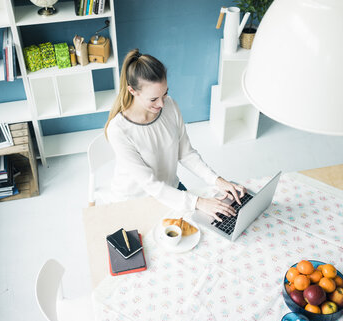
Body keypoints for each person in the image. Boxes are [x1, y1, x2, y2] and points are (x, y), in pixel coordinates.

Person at [104, 49, 246, 221]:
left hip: (170, 189)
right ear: (133, 91)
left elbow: (186, 154)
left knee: (214, 222)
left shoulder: (170, 106)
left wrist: (217, 180)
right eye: (153, 99)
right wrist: (199, 202)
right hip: (136, 200)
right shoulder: (118, 130)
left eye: (165, 94)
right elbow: (150, 184)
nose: (162, 103)